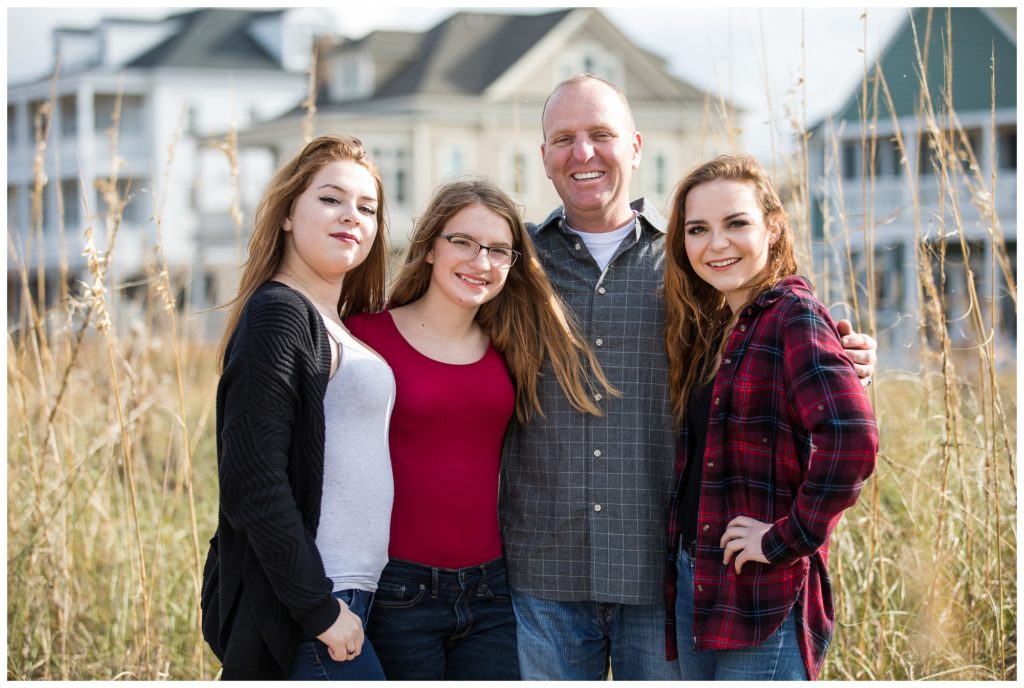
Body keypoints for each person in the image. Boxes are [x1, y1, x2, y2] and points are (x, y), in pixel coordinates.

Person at [497, 73, 879, 680]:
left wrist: (844, 355)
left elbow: (784, 348)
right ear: (543, 156)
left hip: (664, 577)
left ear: (637, 146)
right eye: (563, 138)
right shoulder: (510, 267)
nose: (583, 152)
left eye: (602, 134)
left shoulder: (690, 269)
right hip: (547, 573)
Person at [344, 179, 616, 680]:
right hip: (400, 591)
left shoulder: (510, 346)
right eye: (463, 243)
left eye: (497, 250)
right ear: (429, 247)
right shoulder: (365, 337)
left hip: (492, 591)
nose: (480, 261)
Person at [662, 154, 879, 680]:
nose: (716, 243)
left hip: (765, 594)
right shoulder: (720, 327)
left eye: (736, 223)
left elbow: (852, 438)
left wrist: (786, 538)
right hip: (701, 582)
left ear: (773, 229)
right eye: (698, 229)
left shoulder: (793, 317)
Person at [200, 135, 395, 680]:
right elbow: (252, 479)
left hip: (357, 594)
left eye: (367, 207)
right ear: (288, 214)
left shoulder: (337, 322)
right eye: (331, 199)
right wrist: (318, 608)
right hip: (313, 602)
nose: (351, 217)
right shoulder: (280, 315)